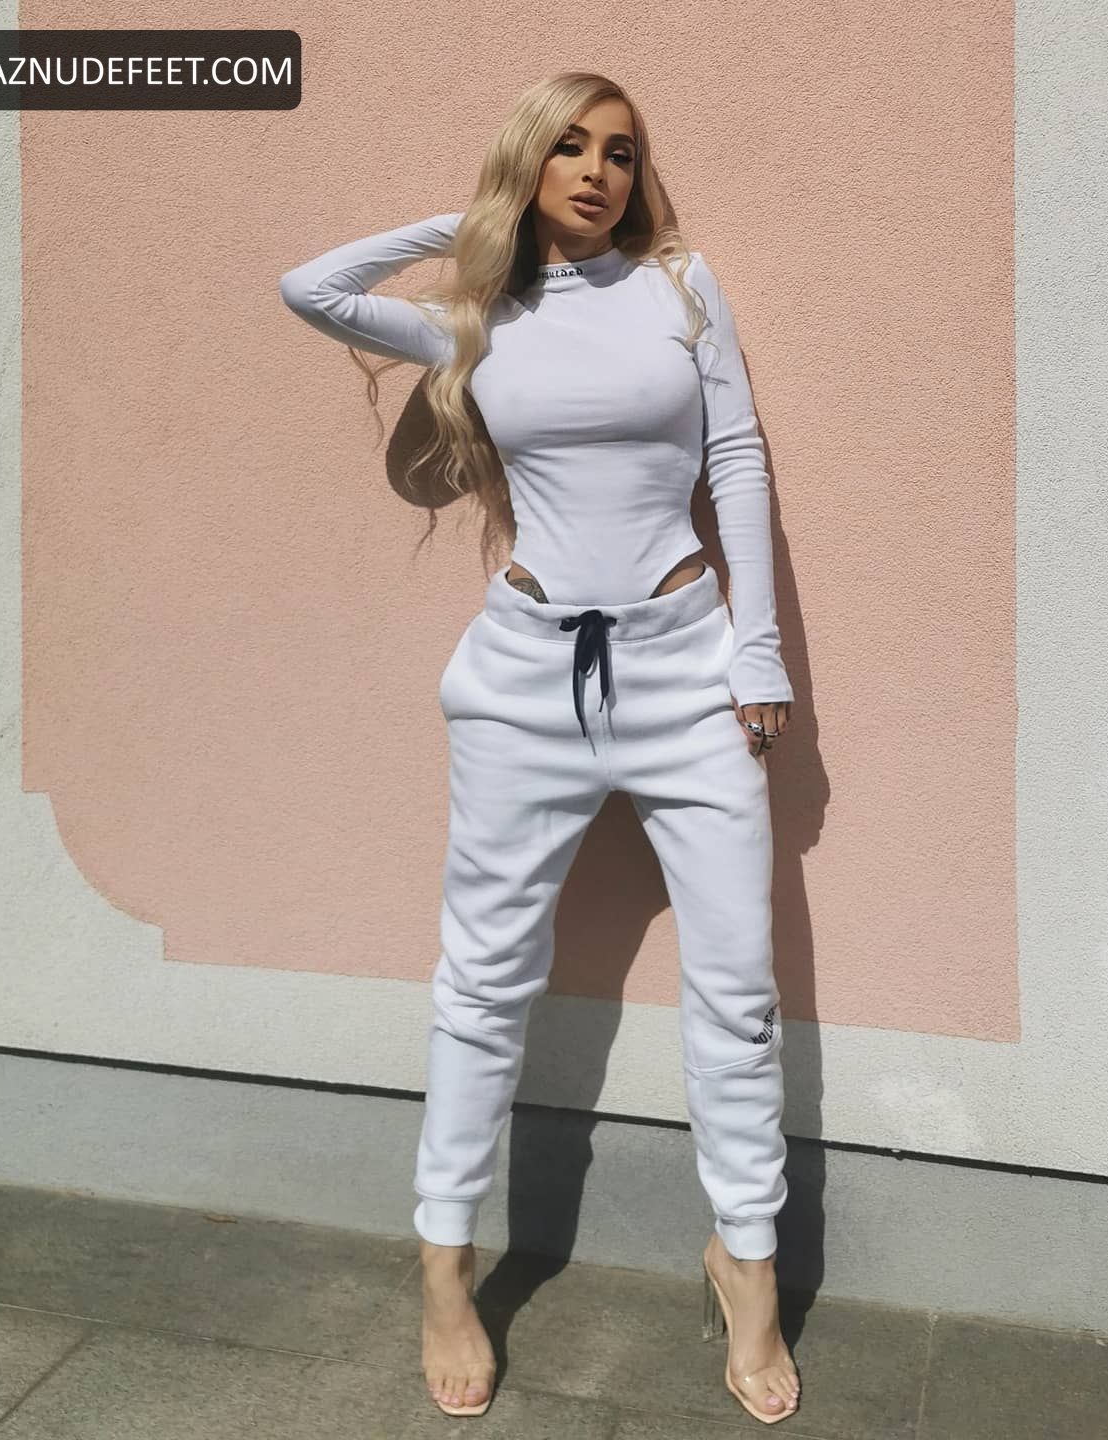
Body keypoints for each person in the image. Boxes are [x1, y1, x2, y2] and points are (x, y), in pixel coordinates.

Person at [279, 70, 800, 1425]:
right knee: (483, 982)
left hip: (685, 667)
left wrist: (757, 652)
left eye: (620, 152)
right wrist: (468, 224)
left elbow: (737, 460)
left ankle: (746, 1261)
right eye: (566, 149)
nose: (597, 172)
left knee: (737, 990)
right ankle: (444, 1265)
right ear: (528, 165)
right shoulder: (478, 316)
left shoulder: (683, 289)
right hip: (524, 676)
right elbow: (310, 288)